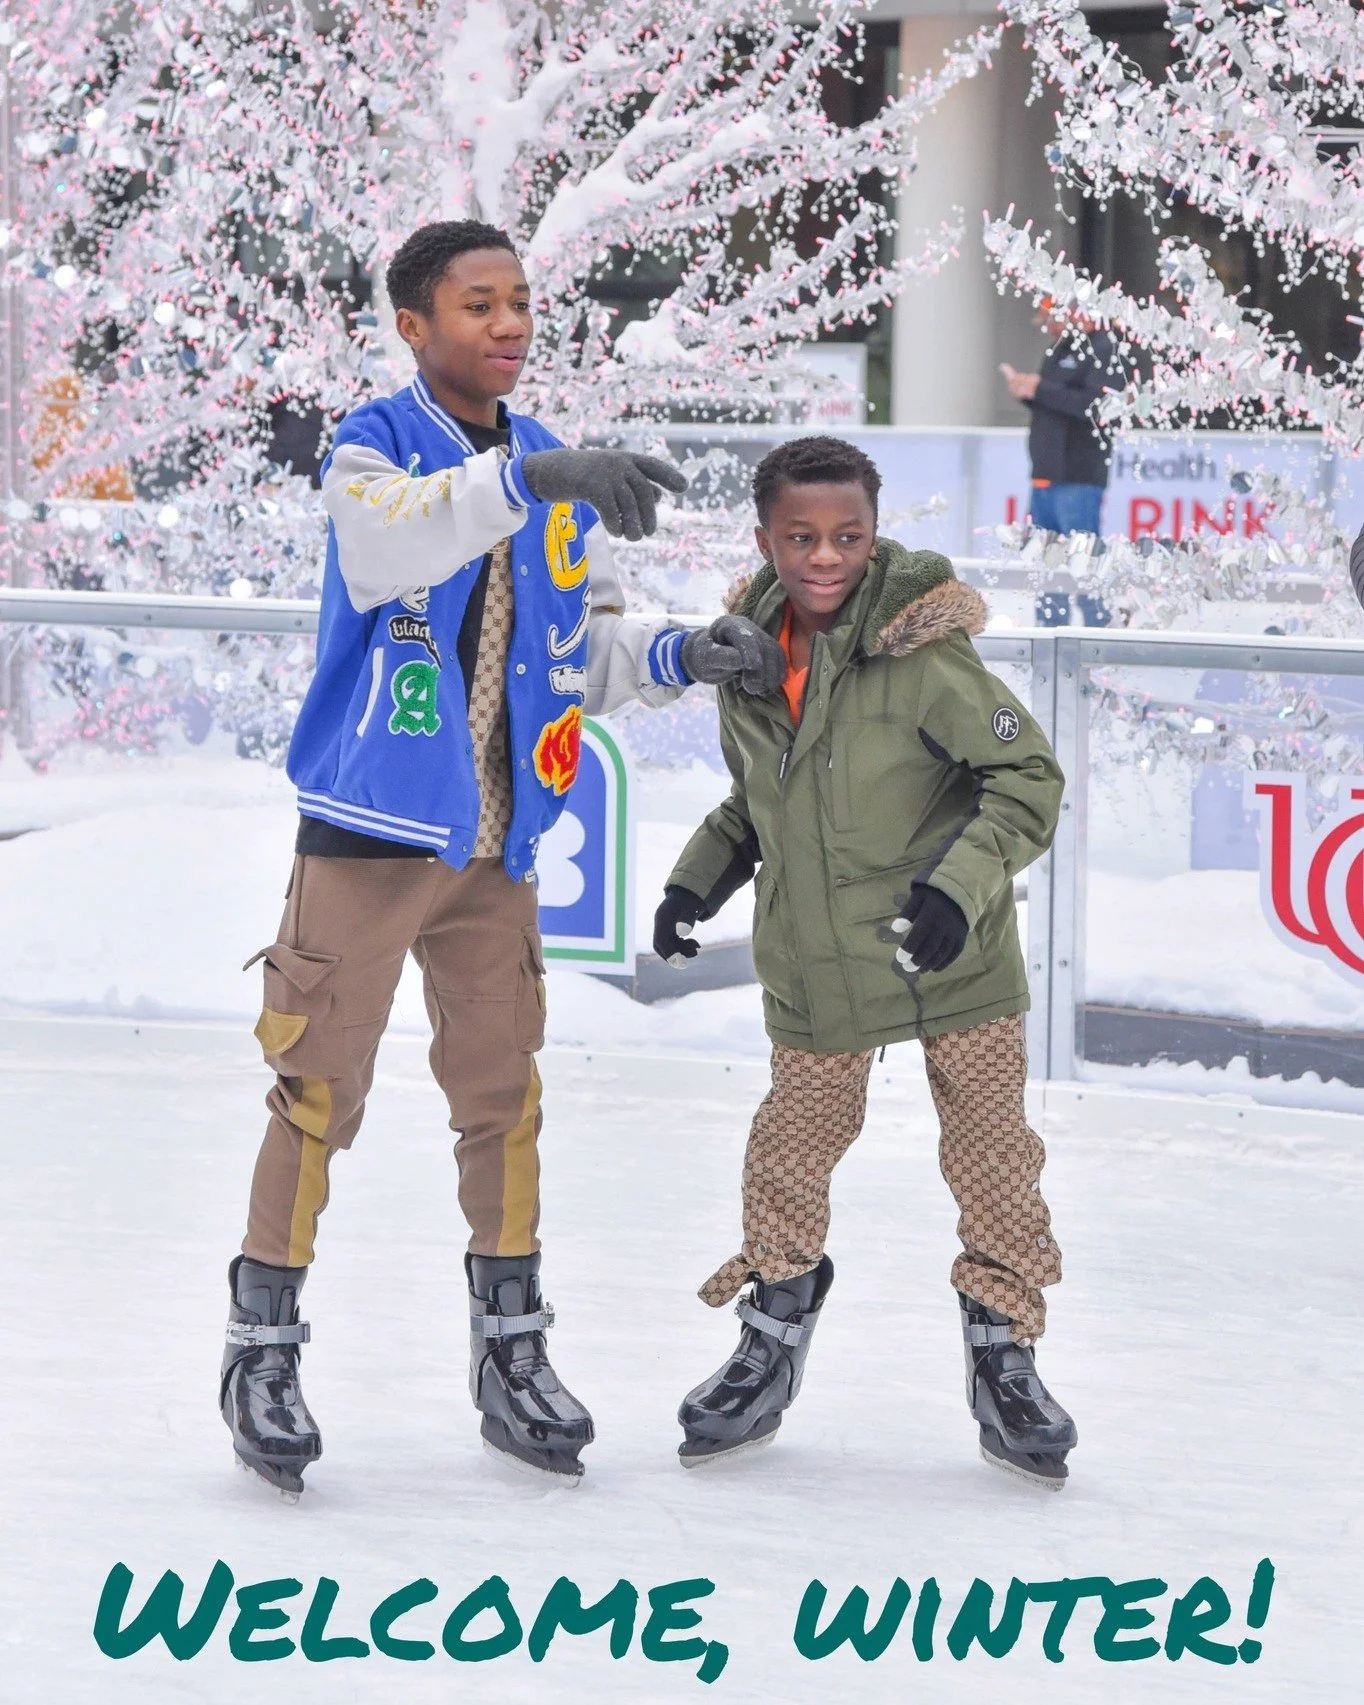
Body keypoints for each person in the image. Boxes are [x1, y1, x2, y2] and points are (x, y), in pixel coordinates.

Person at [221, 219, 785, 1496]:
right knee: (318, 1088)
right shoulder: (373, 446)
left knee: (502, 1092)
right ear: (414, 326)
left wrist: (676, 654)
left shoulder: (540, 463)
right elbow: (394, 547)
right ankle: (261, 1346)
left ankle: (510, 1350)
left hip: (499, 838)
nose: (511, 323)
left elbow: (564, 646)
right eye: (479, 304)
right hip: (372, 832)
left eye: (521, 300)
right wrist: (537, 484)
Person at [653, 435, 1078, 1488]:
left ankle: (1003, 1351)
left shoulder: (922, 654)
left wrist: (956, 885)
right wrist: (694, 879)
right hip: (818, 962)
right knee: (788, 1150)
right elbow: (759, 801)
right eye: (799, 537)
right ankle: (771, 1334)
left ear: (872, 532)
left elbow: (1025, 779)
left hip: (951, 953)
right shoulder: (745, 661)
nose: (824, 557)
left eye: (846, 535)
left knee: (990, 1155)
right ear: (763, 541)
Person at [1000, 297, 1120, 627]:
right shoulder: (1058, 349)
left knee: (1085, 568)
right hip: (1045, 475)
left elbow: (1098, 408)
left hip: (1078, 476)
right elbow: (1053, 404)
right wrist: (1028, 392)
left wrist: (1041, 389)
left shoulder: (1104, 348)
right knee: (1047, 568)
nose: (1048, 327)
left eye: (1051, 318)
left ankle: (1099, 642)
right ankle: (1048, 641)